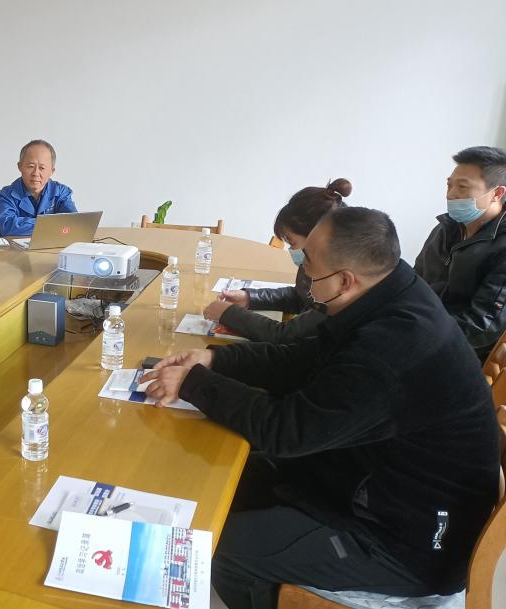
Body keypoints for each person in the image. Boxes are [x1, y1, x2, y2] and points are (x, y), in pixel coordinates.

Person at [143, 207, 499, 609]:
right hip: (364, 477)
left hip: (404, 541)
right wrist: (215, 360)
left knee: (216, 548)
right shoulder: (390, 291)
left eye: (309, 265)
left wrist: (194, 384)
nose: (303, 274)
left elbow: (286, 431)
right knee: (218, 478)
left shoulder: (392, 347)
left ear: (344, 280)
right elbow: (304, 358)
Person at [203, 179, 350, 343]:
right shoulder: (321, 266)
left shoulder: (338, 284)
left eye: (292, 242)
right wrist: (249, 297)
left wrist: (229, 314)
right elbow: (301, 297)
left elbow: (285, 335)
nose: (291, 250)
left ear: (317, 239)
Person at [415, 145, 506, 361]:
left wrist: (416, 336)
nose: (451, 194)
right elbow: (414, 281)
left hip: (458, 352)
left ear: (497, 193)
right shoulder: (446, 228)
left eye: (463, 187)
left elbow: (480, 328)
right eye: (449, 185)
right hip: (419, 328)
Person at [0, 140, 77, 237]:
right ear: (20, 167)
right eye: (31, 166)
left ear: (52, 171)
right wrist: (53, 224)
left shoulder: (61, 192)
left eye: (42, 168)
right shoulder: (6, 195)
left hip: (51, 246)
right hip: (14, 247)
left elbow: (73, 222)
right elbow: (6, 226)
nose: (36, 173)